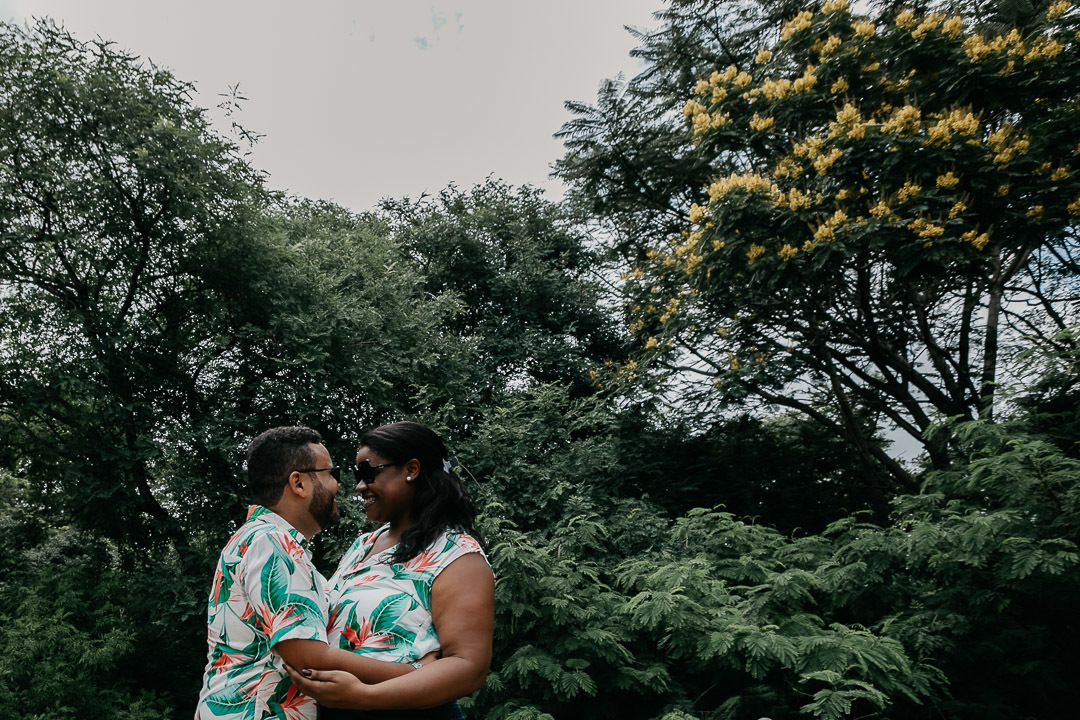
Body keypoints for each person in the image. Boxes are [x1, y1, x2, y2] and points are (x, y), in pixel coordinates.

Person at [196, 426, 424, 720]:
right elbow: (309, 658)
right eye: (332, 473)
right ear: (299, 483)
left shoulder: (255, 539)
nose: (339, 486)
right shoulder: (271, 542)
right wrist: (414, 670)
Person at [285, 421, 495, 719]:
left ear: (411, 469)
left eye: (368, 472)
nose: (359, 486)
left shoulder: (457, 555)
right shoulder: (362, 546)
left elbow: (467, 668)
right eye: (357, 475)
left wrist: (365, 696)